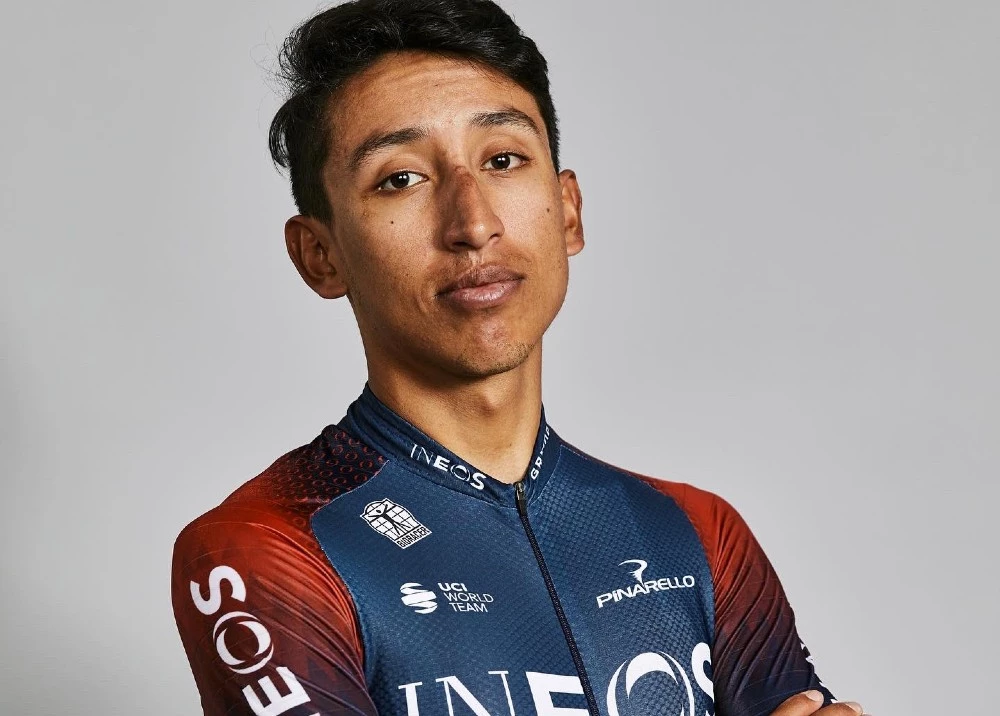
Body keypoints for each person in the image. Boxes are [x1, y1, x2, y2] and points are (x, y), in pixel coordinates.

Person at [170, 2, 865, 715]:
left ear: (569, 212)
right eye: (400, 178)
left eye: (503, 160)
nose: (473, 224)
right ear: (320, 255)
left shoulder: (697, 533)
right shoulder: (267, 546)